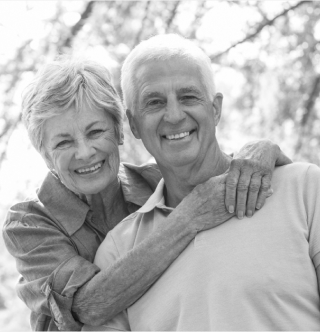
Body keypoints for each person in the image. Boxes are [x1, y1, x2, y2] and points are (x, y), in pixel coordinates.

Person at [2, 56, 289, 331]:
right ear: (46, 156)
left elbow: (227, 171)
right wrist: (189, 218)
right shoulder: (28, 222)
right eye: (64, 142)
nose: (85, 152)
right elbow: (89, 307)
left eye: (95, 132)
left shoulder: (153, 180)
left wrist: (263, 148)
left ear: (120, 132)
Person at [84, 34, 320, 331]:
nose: (173, 115)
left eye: (188, 97)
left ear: (216, 109)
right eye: (154, 102)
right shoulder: (118, 251)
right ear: (134, 125)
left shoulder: (304, 189)